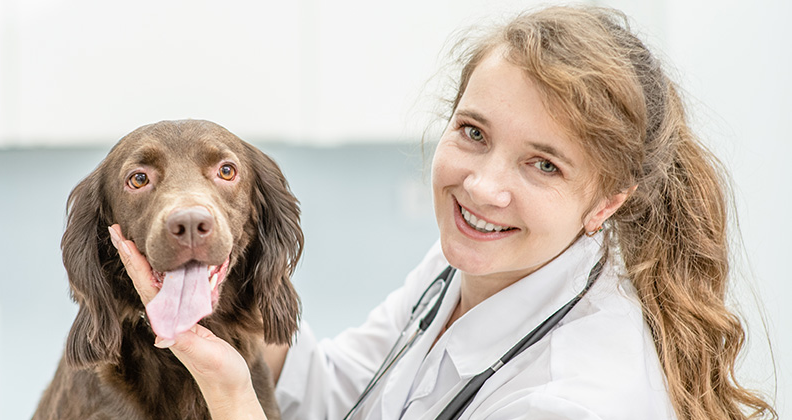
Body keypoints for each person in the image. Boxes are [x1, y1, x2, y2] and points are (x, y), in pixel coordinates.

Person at [106, 5, 776, 420]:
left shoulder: (572, 402)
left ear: (609, 200)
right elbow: (341, 393)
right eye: (474, 133)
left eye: (543, 164)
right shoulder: (474, 263)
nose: (482, 188)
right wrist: (230, 292)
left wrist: (227, 394)